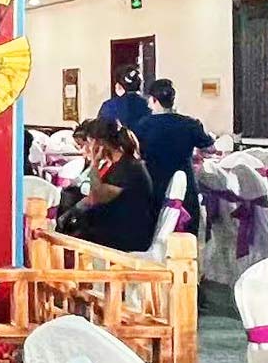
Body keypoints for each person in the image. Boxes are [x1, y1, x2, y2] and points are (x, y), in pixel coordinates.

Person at [56, 118, 157, 253]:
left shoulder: (128, 168)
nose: (88, 149)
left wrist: (94, 163)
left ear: (100, 144)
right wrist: (72, 212)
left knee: (70, 239)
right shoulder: (120, 164)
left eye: (89, 143)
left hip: (127, 235)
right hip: (117, 227)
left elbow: (95, 197)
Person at [131, 78, 213, 235]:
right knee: (188, 235)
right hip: (185, 186)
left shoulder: (143, 126)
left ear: (153, 100)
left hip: (154, 186)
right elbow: (210, 148)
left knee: (155, 232)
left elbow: (135, 152)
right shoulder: (190, 124)